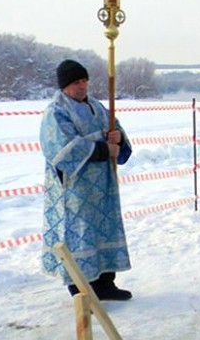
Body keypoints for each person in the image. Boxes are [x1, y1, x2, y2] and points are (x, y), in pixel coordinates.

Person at [40, 60, 133, 300]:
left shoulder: (98, 106)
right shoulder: (56, 111)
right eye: (76, 82)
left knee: (104, 230)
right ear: (65, 86)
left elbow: (116, 133)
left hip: (103, 185)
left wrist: (118, 137)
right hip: (76, 187)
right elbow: (62, 148)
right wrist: (104, 149)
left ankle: (106, 284)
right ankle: (82, 290)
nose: (82, 86)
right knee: (80, 234)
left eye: (84, 81)